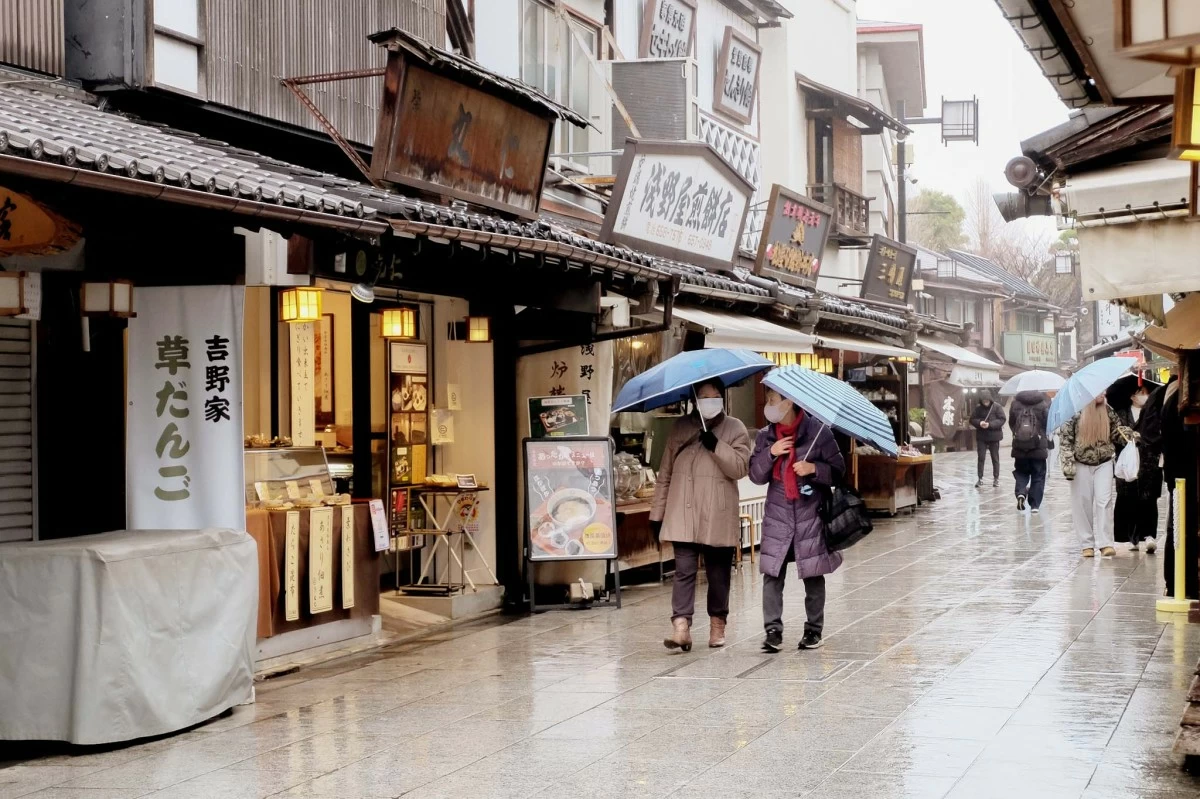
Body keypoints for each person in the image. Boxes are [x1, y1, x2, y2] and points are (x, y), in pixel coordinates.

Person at [649, 379, 751, 652]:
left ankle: (718, 624)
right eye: (704, 396)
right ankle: (681, 626)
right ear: (695, 399)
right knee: (683, 570)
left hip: (717, 513)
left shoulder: (736, 428)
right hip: (683, 511)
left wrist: (716, 445)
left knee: (718, 574)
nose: (711, 401)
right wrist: (657, 513)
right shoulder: (680, 427)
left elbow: (740, 467)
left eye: (716, 395)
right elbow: (665, 474)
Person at [750, 388, 846, 653]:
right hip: (778, 515)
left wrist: (814, 469)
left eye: (772, 400)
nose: (768, 406)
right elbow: (755, 475)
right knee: (772, 573)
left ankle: (814, 631)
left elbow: (839, 471)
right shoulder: (765, 436)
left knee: (813, 574)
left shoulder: (819, 433)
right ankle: (772, 631)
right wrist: (771, 453)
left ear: (788, 402)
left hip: (810, 514)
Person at [1059, 393, 1128, 558]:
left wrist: (1129, 435)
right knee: (1082, 504)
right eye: (1098, 391)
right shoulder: (1075, 412)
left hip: (1104, 463)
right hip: (1080, 463)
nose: (1103, 394)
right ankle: (1086, 544)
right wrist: (1068, 464)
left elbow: (1116, 431)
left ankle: (1106, 543)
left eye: (1104, 391)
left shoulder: (1108, 410)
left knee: (1105, 501)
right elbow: (1066, 440)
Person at [1113, 383, 1164, 553]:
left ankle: (1150, 535)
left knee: (1149, 500)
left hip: (1149, 463)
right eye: (1140, 393)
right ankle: (1132, 536)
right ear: (1132, 397)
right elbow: (1115, 436)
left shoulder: (1154, 413)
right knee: (1129, 501)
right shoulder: (1121, 415)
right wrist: (1128, 438)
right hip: (1128, 463)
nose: (1144, 396)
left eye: (1146, 393)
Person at [1009, 390, 1051, 513]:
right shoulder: (1042, 404)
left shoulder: (1015, 404)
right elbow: (1047, 423)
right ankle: (1034, 505)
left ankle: (1021, 492)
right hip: (1038, 447)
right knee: (1038, 475)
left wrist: (1019, 435)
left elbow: (1012, 423)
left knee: (1021, 472)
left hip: (1020, 446)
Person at [970, 390, 1006, 488]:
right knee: (981, 458)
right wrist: (980, 423)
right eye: (984, 401)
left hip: (994, 436)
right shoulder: (978, 408)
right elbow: (972, 419)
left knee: (995, 458)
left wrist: (990, 424)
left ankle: (996, 478)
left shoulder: (997, 407)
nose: (985, 402)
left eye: (987, 400)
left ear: (990, 399)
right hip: (982, 436)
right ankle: (980, 478)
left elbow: (1002, 419)